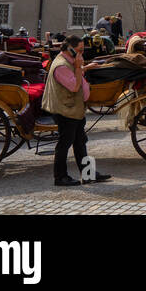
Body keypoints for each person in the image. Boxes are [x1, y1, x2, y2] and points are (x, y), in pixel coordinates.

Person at [41, 34, 112, 187]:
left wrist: (85, 67)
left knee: (80, 142)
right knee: (64, 143)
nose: (81, 53)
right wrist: (80, 67)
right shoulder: (61, 66)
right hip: (66, 110)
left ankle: (88, 174)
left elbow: (74, 75)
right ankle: (60, 177)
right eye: (79, 50)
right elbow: (74, 86)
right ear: (69, 49)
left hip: (74, 109)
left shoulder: (69, 61)